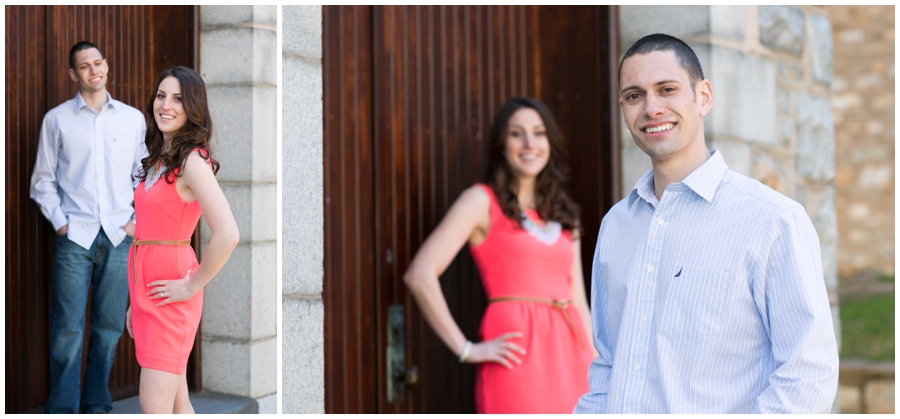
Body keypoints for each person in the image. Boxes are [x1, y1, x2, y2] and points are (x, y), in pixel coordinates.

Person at [574, 33, 839, 414]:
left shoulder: (773, 221)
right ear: (623, 107)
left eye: (667, 89)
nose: (651, 108)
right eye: (634, 96)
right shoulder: (616, 225)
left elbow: (807, 376)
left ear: (704, 97)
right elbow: (608, 368)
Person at [403, 97, 595, 413]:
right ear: (501, 145)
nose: (529, 143)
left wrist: (598, 365)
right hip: (516, 358)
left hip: (574, 358)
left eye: (539, 132)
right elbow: (419, 274)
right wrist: (465, 349)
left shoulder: (564, 215)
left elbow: (578, 302)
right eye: (517, 133)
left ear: (550, 143)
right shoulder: (481, 201)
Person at [30, 41, 147, 414]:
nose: (94, 70)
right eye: (84, 66)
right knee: (67, 328)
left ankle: (96, 402)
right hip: (75, 238)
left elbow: (143, 177)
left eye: (98, 63)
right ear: (73, 74)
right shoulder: (57, 119)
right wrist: (62, 225)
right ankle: (63, 406)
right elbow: (42, 181)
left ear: (107, 67)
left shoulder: (132, 119)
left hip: (118, 237)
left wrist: (134, 222)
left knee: (109, 328)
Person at [125, 66, 239, 413]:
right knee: (178, 404)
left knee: (154, 409)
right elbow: (148, 230)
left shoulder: (192, 160)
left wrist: (191, 287)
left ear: (193, 108)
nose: (166, 105)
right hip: (148, 292)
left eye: (177, 98)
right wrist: (134, 299)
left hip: (171, 296)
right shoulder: (161, 158)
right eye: (161, 95)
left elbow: (228, 234)